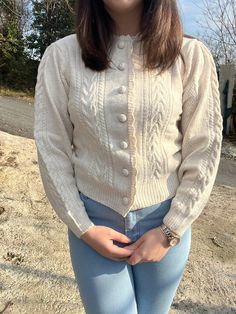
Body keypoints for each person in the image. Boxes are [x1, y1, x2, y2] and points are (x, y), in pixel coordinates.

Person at [33, 0, 223, 313]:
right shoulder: (61, 56)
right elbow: (51, 145)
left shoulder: (191, 56)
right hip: (94, 221)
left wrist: (170, 230)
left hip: (164, 221)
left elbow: (203, 148)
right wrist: (83, 227)